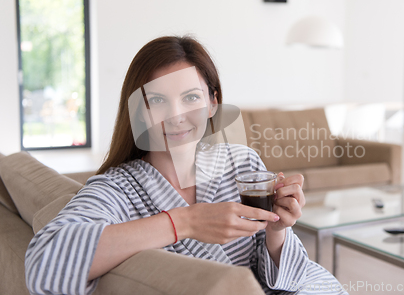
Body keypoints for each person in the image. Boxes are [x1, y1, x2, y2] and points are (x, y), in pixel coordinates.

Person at [25, 36, 348, 295]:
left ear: (213, 103)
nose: (176, 116)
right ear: (140, 111)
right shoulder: (118, 189)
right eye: (158, 101)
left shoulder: (242, 163)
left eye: (191, 98)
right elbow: (44, 262)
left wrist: (277, 229)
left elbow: (277, 273)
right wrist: (184, 223)